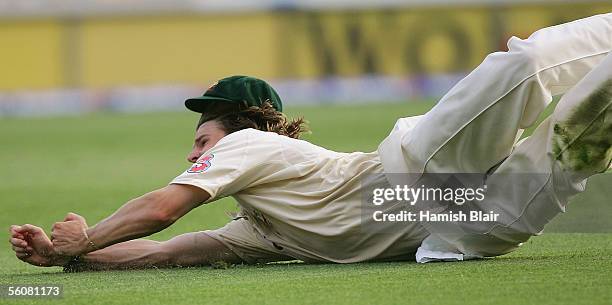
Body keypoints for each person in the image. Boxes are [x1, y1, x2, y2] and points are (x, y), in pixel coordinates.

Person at [9, 13, 612, 270]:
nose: (194, 156)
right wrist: (70, 259)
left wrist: (83, 239)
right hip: (462, 226)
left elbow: (163, 212)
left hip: (415, 172)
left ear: (237, 127)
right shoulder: (258, 227)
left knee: (524, 64)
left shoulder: (247, 146)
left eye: (201, 139)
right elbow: (165, 252)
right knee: (579, 136)